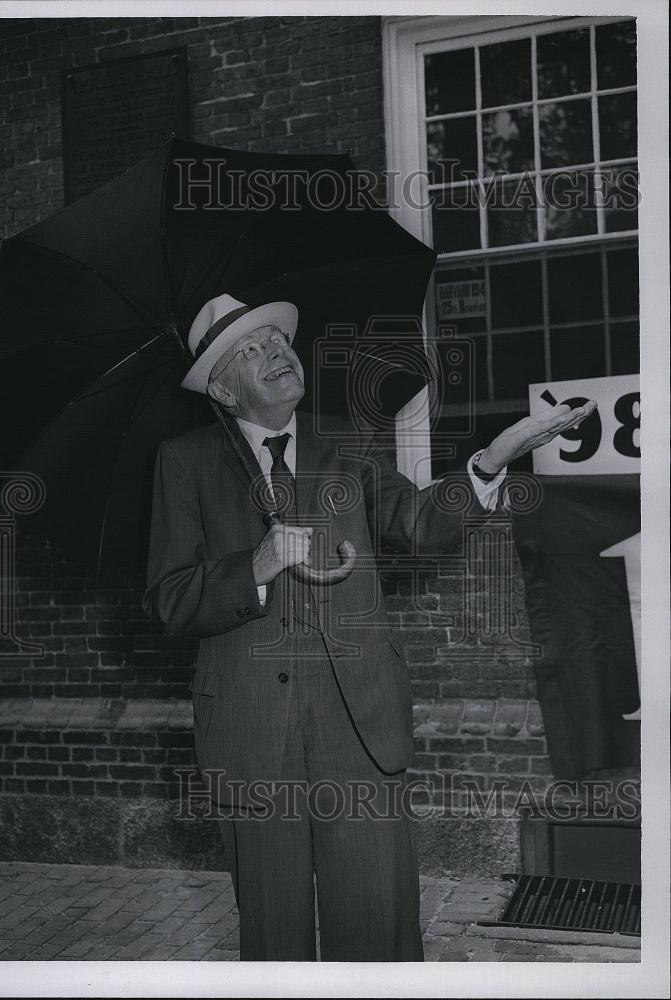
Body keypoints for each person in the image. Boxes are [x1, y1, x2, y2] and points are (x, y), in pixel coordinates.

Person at [143, 293, 596, 961]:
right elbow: (168, 600)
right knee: (274, 931)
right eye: (250, 350)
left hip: (358, 716)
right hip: (250, 725)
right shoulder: (185, 462)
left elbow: (416, 525)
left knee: (376, 918)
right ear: (222, 388)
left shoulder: (345, 443)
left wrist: (489, 463)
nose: (275, 352)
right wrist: (253, 568)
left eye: (277, 340)